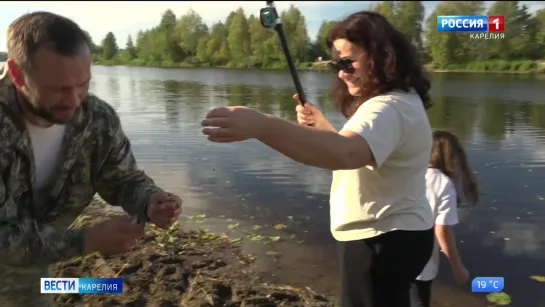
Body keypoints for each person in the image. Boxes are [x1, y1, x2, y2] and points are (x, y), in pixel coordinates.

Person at [201, 11, 435, 307]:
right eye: (338, 65)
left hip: (383, 239)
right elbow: (355, 153)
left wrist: (261, 125)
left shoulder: (388, 108)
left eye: (348, 63)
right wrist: (323, 129)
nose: (341, 73)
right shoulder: (401, 100)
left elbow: (346, 153)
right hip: (399, 235)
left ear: (382, 54)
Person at [0, 12, 182, 306]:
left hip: (32, 266)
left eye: (83, 84)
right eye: (59, 89)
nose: (74, 101)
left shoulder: (97, 119)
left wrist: (150, 201)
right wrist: (87, 241)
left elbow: (122, 178)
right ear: (18, 75)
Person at [410, 130, 479, 307]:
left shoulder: (409, 173)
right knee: (418, 300)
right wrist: (458, 268)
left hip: (391, 253)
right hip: (419, 262)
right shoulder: (443, 184)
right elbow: (442, 230)